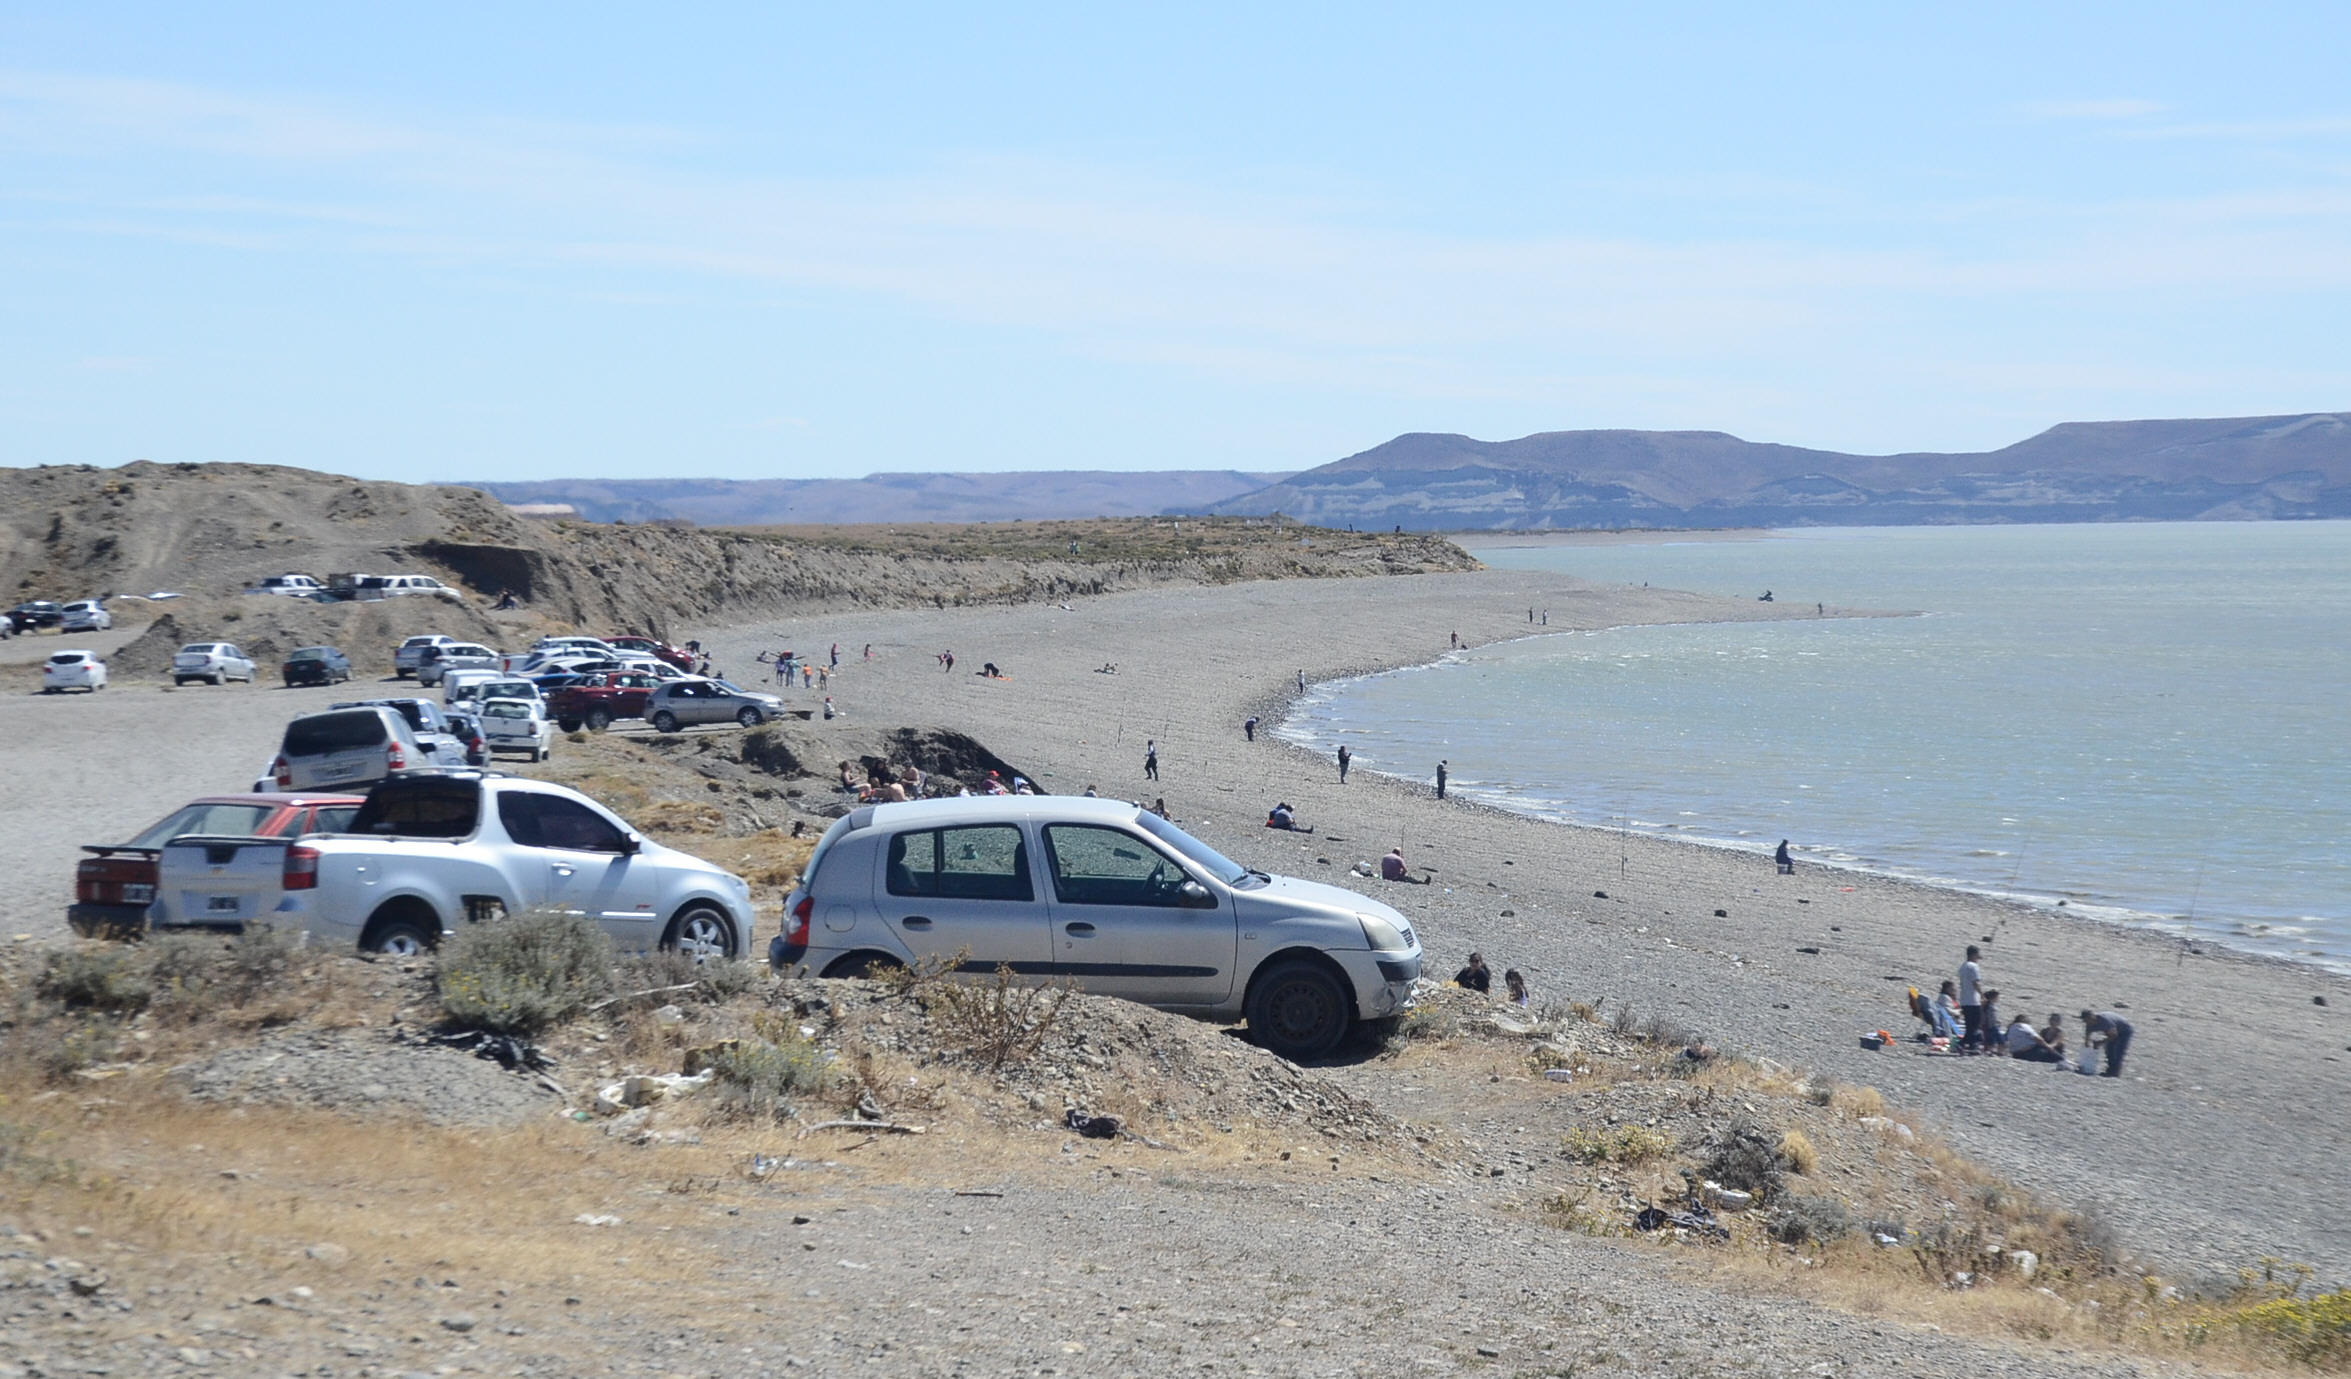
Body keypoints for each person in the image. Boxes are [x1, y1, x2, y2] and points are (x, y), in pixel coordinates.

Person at [2081, 1009, 2134, 1077]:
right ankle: (2110, 1070)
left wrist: (2100, 1043)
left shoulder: (2104, 1021)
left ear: (2092, 1017)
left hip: (2124, 1029)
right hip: (2111, 1031)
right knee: (2109, 1050)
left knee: (2118, 1050)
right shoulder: (2089, 1024)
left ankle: (2115, 1072)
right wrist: (2087, 1045)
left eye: (2088, 1020)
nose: (2087, 1023)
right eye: (2085, 1021)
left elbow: (2114, 1035)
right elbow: (2087, 1035)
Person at [1957, 946, 1985, 1052]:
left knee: (1969, 1025)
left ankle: (1965, 1044)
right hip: (1973, 1000)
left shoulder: (1962, 966)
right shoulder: (1974, 967)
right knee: (1975, 1024)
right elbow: (1975, 982)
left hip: (1964, 999)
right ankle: (1971, 1045)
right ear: (1973, 955)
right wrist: (1982, 995)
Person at [1977, 988, 2004, 1055]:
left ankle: (1999, 1052)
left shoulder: (1991, 1005)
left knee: (1999, 1040)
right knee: (1993, 1040)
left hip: (1994, 1025)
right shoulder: (1988, 1005)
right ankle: (1992, 1051)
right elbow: (1986, 1016)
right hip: (1990, 1025)